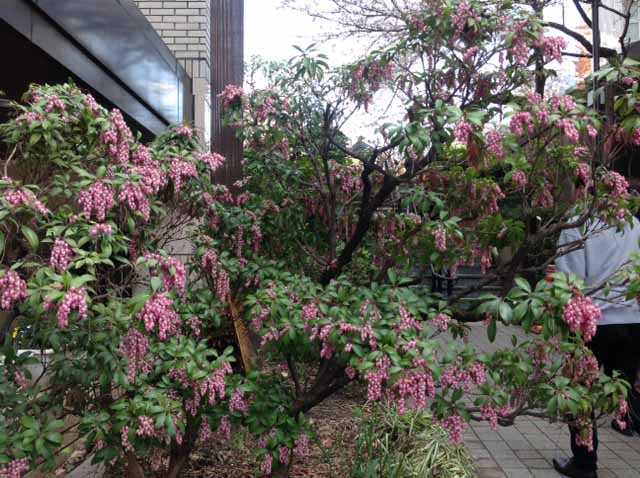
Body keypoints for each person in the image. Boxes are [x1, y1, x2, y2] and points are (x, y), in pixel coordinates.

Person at [552, 217, 640, 478]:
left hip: (591, 322)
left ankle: (584, 463)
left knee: (579, 392)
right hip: (633, 320)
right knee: (625, 389)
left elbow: (571, 280)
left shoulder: (576, 224)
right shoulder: (634, 224)